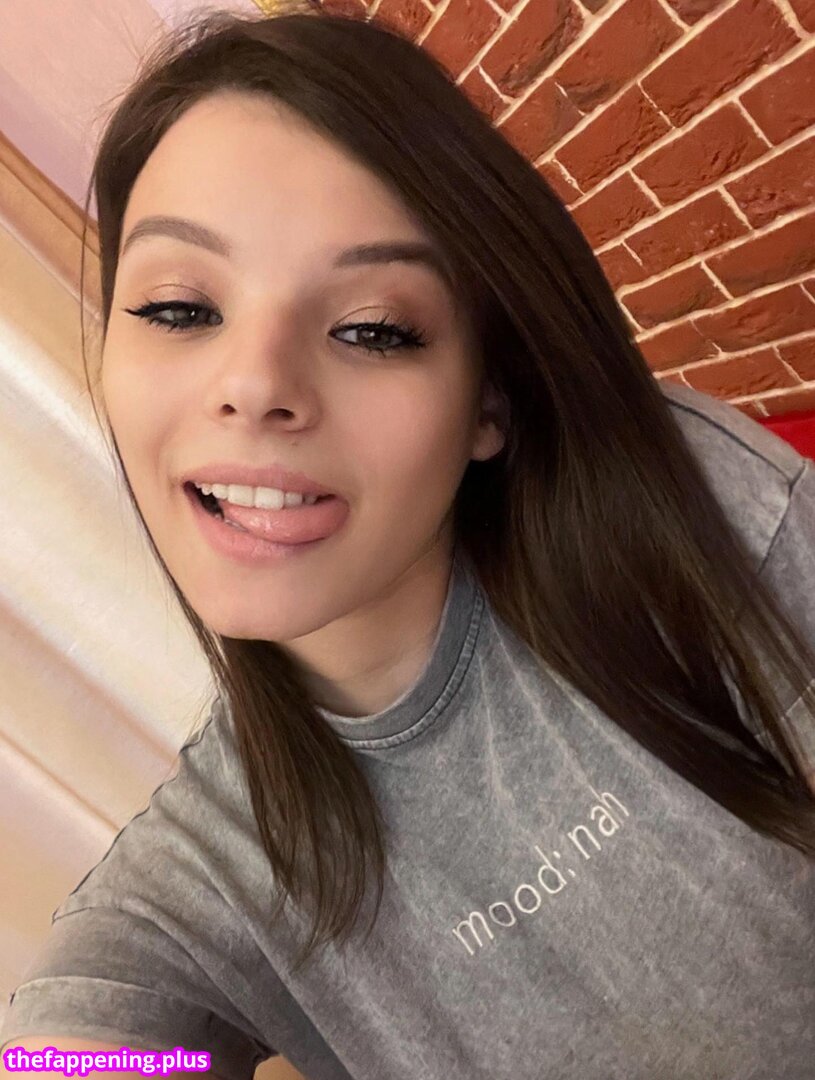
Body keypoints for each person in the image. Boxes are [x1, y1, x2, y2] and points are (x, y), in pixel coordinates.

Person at [2, 5, 815, 1079]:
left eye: (372, 329)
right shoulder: (201, 888)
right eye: (179, 309)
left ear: (488, 403)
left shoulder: (677, 507)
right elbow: (80, 1058)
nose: (254, 383)